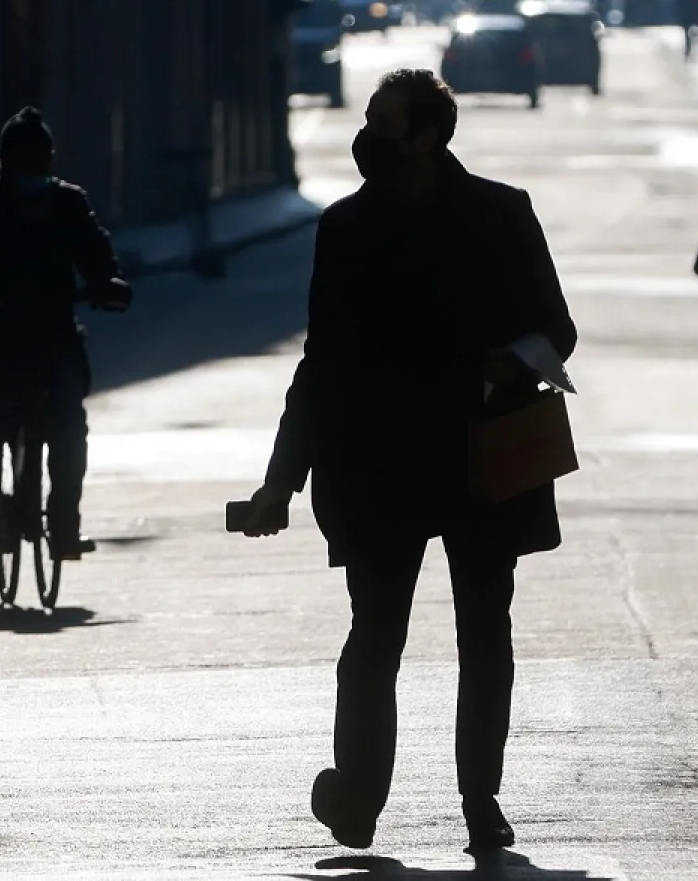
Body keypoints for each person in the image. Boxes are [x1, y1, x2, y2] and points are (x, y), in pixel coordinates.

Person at [242, 69, 576, 852]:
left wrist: (509, 362)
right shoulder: (346, 227)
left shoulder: (502, 214)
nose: (367, 137)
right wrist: (280, 478)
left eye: (383, 124)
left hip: (482, 457)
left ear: (427, 137)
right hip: (378, 465)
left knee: (484, 634)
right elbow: (321, 361)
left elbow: (555, 329)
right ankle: (358, 797)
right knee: (374, 636)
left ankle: (479, 798)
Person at [0, 106, 131, 560]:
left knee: (68, 426)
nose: (34, 170)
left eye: (41, 161)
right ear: (5, 162)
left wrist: (109, 285)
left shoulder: (67, 202)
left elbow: (94, 249)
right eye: (25, 161)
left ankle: (64, 524)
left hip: (51, 331)